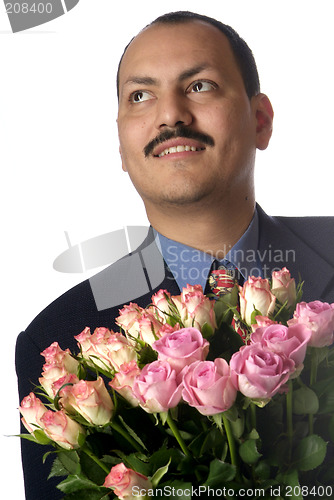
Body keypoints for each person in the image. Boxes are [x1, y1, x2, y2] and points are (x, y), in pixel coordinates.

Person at [16, 11, 334, 499]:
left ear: (261, 121)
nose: (171, 115)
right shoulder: (60, 341)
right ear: (122, 146)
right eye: (140, 96)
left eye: (200, 86)